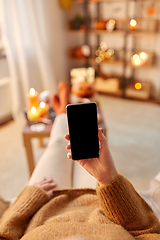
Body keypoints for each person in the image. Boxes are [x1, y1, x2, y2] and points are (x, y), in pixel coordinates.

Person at [0, 81, 160, 240]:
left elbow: (4, 234)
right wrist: (110, 180)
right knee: (77, 148)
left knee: (57, 144)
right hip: (103, 203)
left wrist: (28, 200)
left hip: (46, 204)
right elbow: (147, 230)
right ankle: (63, 112)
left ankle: (62, 114)